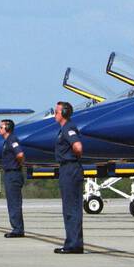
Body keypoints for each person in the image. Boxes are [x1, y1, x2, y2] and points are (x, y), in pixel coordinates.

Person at [52, 102, 85, 254]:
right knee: (69, 207)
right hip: (67, 168)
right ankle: (72, 242)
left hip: (70, 168)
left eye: (56, 111)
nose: (54, 114)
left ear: (64, 112)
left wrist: (72, 158)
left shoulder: (68, 128)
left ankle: (74, 244)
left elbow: (78, 147)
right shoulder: (64, 129)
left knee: (72, 207)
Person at [0, 119, 26, 237]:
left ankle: (18, 229)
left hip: (13, 174)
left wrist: (18, 165)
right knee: (11, 202)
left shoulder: (12, 140)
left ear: (7, 128)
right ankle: (16, 227)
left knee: (14, 202)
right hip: (10, 173)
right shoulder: (7, 141)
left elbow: (20, 154)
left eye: (1, 127)